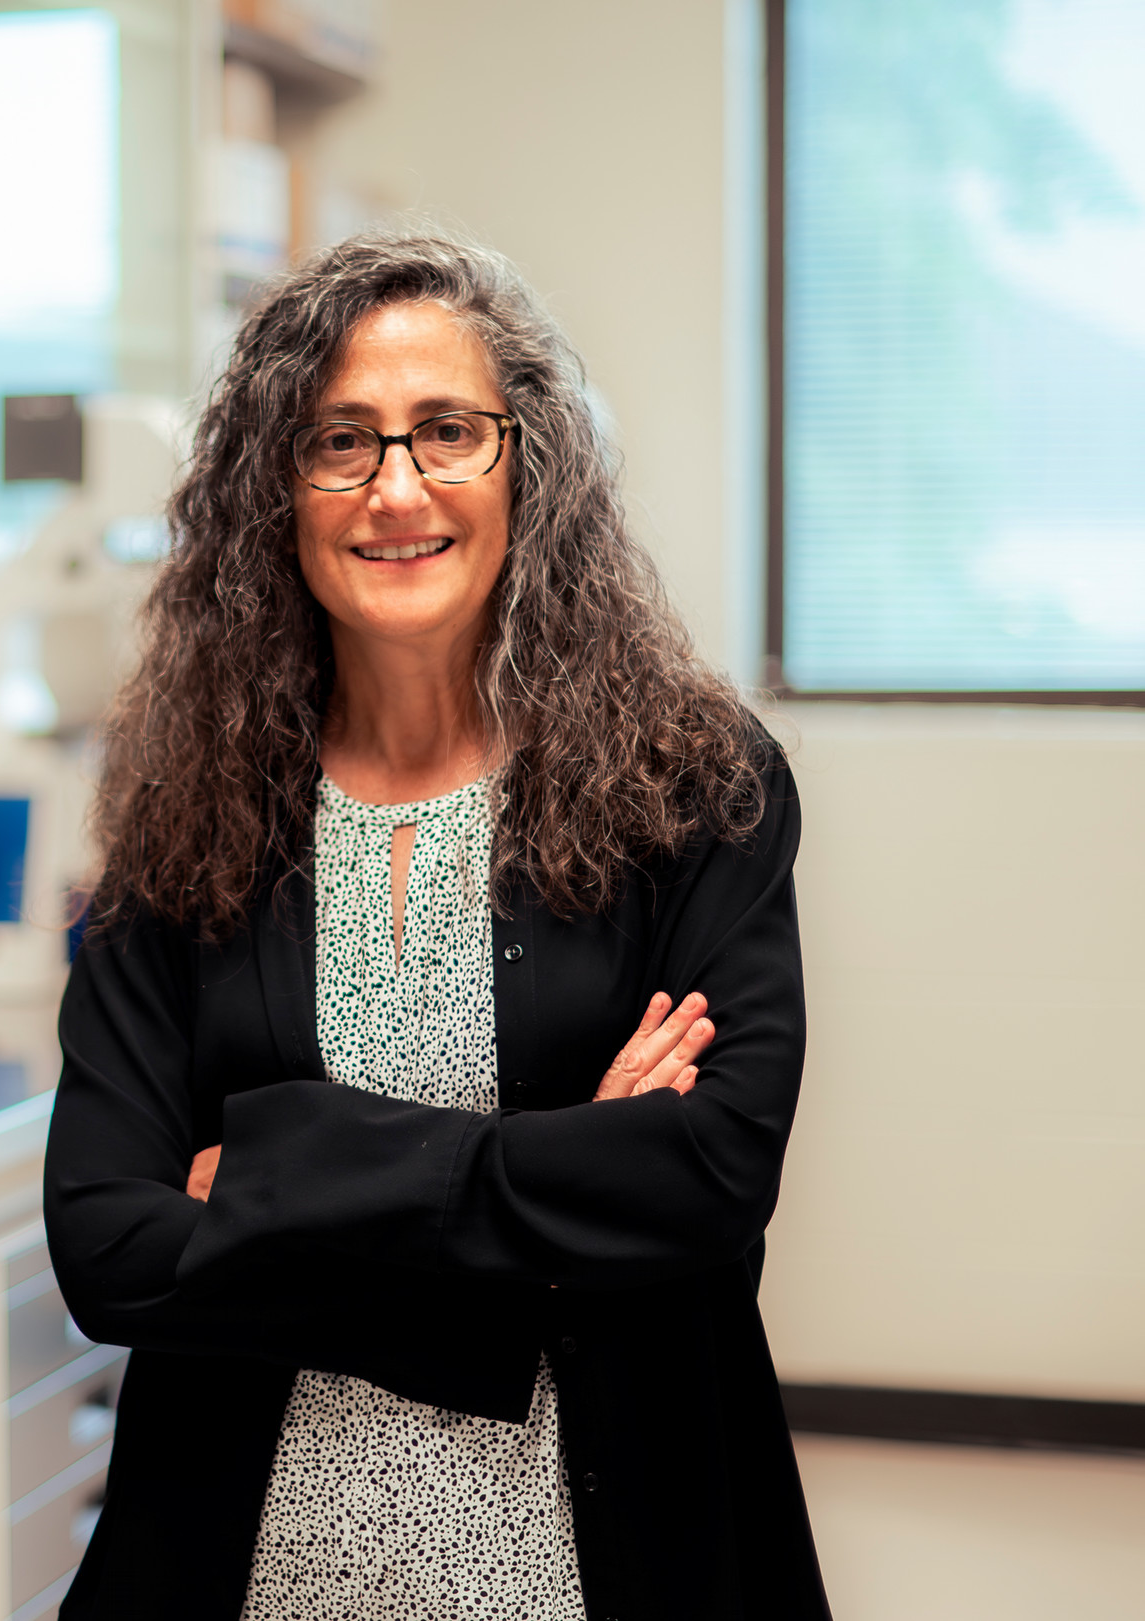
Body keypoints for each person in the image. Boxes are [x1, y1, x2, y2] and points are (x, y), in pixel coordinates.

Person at [45, 229, 830, 1620]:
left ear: (527, 463)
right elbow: (107, 1244)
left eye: (445, 433)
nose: (394, 486)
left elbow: (708, 1174)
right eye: (338, 439)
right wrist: (552, 1215)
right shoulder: (185, 814)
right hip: (253, 1570)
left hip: (597, 1566)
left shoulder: (688, 784)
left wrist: (280, 1166)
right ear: (270, 489)